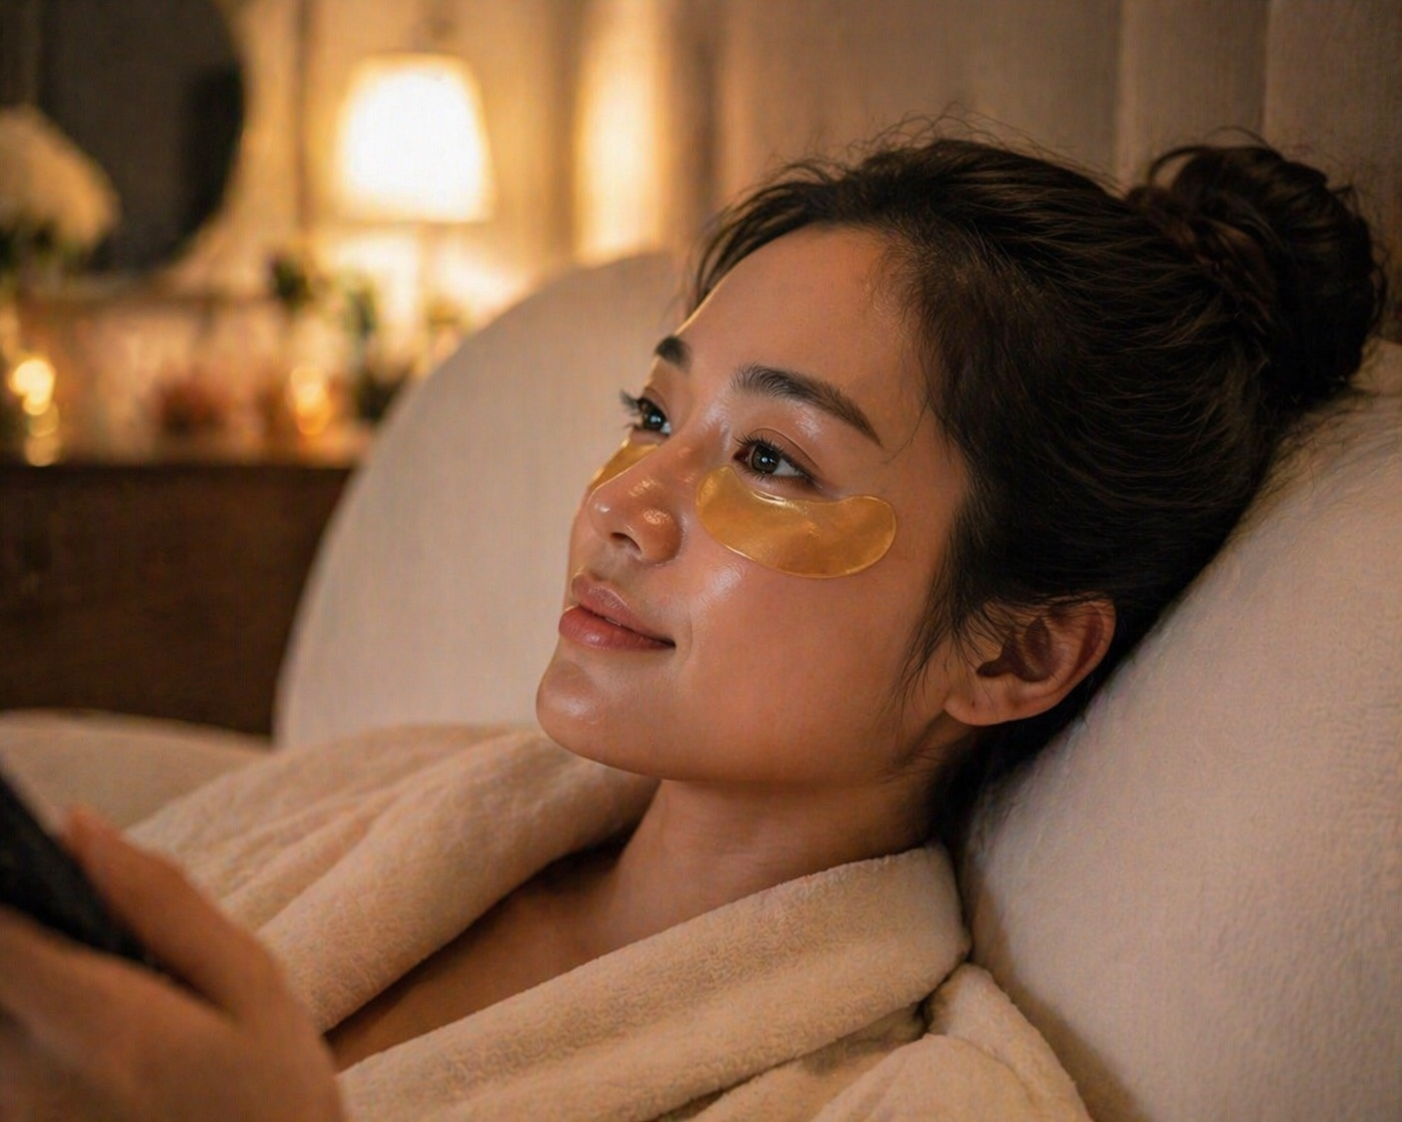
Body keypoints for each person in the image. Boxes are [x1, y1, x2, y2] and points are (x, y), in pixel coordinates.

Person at [0, 134, 1384, 1121]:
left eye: (773, 461)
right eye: (654, 418)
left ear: (1013, 653)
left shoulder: (912, 1100)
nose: (624, 508)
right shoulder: (380, 798)